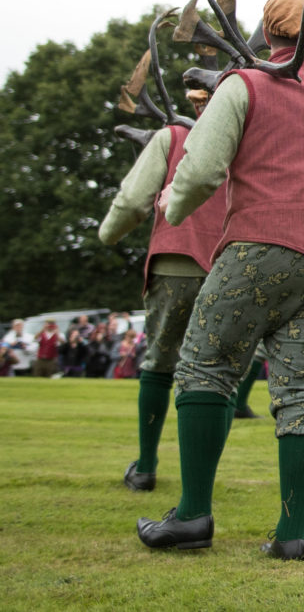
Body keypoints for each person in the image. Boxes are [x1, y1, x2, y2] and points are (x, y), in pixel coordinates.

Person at [135, 0, 304, 560]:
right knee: (303, 389)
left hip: (260, 246)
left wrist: (172, 204)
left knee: (205, 365)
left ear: (269, 35)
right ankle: (291, 535)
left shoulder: (244, 84)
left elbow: (203, 167)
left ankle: (191, 516)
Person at [99, 86, 232, 490]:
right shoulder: (253, 136)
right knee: (217, 372)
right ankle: (201, 480)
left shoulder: (171, 138)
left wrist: (108, 234)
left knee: (159, 364)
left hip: (176, 263)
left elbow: (133, 201)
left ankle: (146, 466)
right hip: (230, 265)